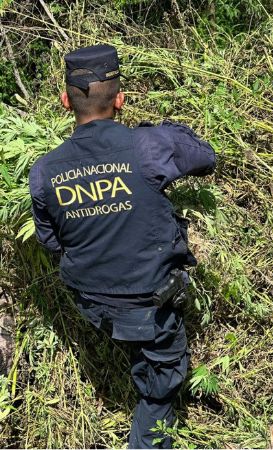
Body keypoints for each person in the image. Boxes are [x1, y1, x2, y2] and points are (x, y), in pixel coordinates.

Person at [28, 44, 216, 448]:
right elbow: (205, 156)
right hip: (146, 304)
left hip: (92, 304)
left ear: (65, 102)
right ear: (121, 100)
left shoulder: (43, 171)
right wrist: (160, 129)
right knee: (160, 388)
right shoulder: (147, 146)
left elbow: (50, 242)